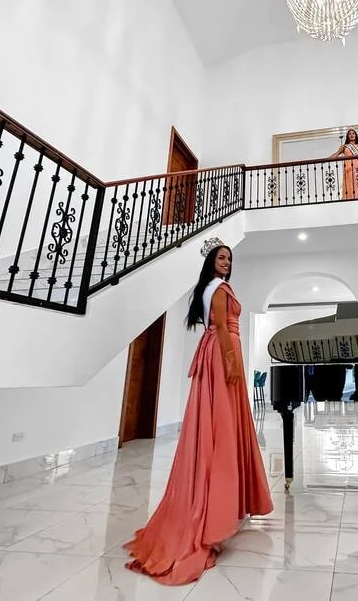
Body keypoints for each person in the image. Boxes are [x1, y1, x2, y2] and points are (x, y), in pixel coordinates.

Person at [124, 237, 273, 585]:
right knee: (222, 424)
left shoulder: (209, 288)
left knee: (223, 422)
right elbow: (220, 326)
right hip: (222, 352)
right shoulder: (218, 288)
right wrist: (231, 362)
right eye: (221, 258)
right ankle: (215, 511)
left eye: (229, 259)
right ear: (211, 262)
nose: (226, 263)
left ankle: (226, 505)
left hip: (217, 351)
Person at [331, 128, 358, 199]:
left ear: (355, 135)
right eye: (349, 134)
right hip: (348, 169)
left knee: (357, 185)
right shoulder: (344, 147)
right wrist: (327, 159)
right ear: (347, 136)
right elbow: (336, 154)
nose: (351, 135)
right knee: (349, 185)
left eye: (353, 133)